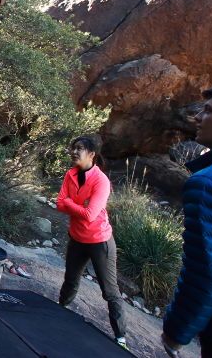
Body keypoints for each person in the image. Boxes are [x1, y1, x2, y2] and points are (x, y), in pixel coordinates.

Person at [162, 84, 212, 358]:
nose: (197, 117)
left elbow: (208, 272)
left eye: (208, 111)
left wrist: (176, 332)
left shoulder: (209, 183)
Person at [56, 135, 128, 349]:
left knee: (109, 290)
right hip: (77, 238)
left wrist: (70, 203)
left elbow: (89, 214)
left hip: (99, 241)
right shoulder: (70, 175)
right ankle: (60, 312)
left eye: (79, 148)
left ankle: (121, 337)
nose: (74, 152)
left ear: (92, 154)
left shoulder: (101, 181)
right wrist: (71, 204)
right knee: (70, 280)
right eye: (73, 148)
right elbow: (60, 204)